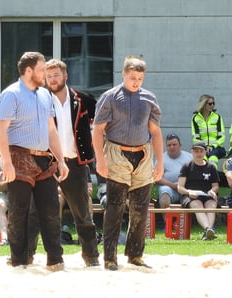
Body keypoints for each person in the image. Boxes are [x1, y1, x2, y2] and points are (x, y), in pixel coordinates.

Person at [0, 51, 69, 271]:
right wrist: (6, 161)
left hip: (43, 158)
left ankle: (55, 259)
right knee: (19, 211)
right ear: (28, 71)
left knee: (51, 209)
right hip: (18, 156)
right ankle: (19, 260)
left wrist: (61, 160)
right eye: (41, 69)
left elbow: (51, 131)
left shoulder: (45, 95)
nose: (45, 74)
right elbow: (0, 129)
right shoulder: (11, 94)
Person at [92, 55, 164, 270]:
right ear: (123, 74)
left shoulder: (149, 98)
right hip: (116, 152)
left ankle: (135, 255)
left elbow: (155, 132)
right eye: (132, 77)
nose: (136, 82)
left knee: (141, 208)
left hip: (143, 154)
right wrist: (100, 160)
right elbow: (98, 130)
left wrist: (160, 162)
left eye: (140, 78)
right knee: (114, 206)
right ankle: (110, 257)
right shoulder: (110, 97)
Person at [44, 58, 101, 267]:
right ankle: (27, 256)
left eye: (56, 75)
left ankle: (91, 257)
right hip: (47, 163)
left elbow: (101, 124)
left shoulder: (84, 99)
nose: (52, 79)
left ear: (65, 76)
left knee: (82, 213)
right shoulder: (41, 100)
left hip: (75, 162)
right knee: (37, 211)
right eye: (48, 76)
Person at [176, 143, 219, 240]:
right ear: (192, 152)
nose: (198, 153)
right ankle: (208, 229)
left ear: (205, 152)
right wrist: (188, 192)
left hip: (207, 195)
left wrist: (212, 191)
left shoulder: (211, 167)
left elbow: (216, 186)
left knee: (211, 205)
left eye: (201, 151)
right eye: (196, 151)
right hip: (190, 196)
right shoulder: (187, 166)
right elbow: (180, 187)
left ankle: (208, 232)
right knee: (197, 204)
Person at [155, 134, 193, 209]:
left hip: (187, 188)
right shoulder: (160, 159)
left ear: (180, 145)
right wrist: (173, 185)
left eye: (174, 145)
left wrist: (181, 185)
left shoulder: (190, 157)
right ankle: (166, 217)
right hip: (170, 189)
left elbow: (195, 174)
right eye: (169, 145)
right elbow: (157, 177)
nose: (172, 147)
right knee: (164, 194)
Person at [191, 94, 225, 165]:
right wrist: (204, 147)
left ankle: (212, 172)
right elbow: (196, 137)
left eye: (213, 103)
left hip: (217, 147)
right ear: (203, 104)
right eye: (210, 104)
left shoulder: (217, 117)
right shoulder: (195, 118)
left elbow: (221, 136)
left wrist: (213, 146)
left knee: (213, 157)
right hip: (202, 148)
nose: (212, 105)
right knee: (202, 158)